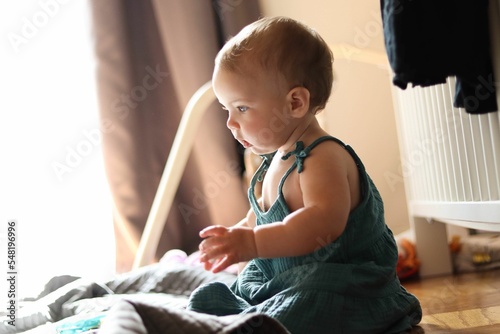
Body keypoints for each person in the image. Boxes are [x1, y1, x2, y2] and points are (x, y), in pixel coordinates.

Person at [187, 16, 422, 333]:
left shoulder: (323, 157)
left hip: (341, 285)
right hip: (290, 280)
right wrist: (235, 237)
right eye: (226, 109)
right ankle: (246, 317)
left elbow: (322, 222)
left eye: (241, 108)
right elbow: (262, 218)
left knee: (302, 301)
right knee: (217, 295)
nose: (230, 122)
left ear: (295, 102)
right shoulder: (275, 161)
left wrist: (253, 243)